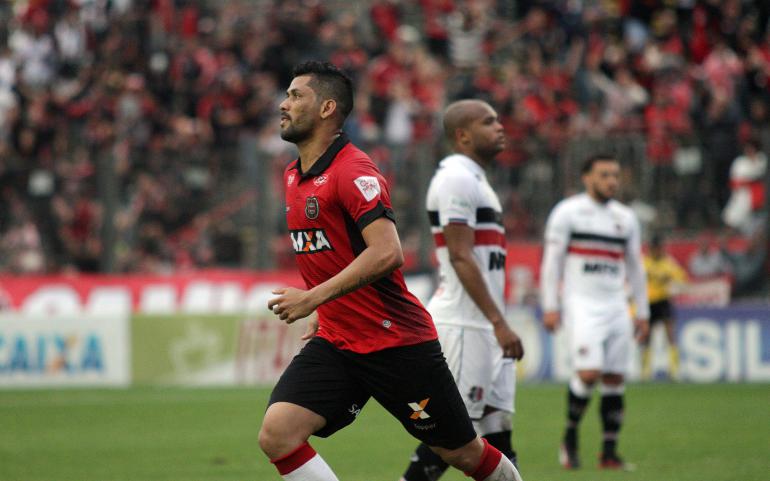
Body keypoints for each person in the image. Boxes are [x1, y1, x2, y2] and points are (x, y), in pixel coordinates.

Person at [258, 61, 523, 481]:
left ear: (327, 108)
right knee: (278, 433)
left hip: (394, 340)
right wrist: (327, 312)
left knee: (462, 453)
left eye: (295, 96)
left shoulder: (354, 171)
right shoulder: (294, 176)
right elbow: (334, 252)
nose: (283, 104)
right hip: (339, 340)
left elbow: (387, 252)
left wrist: (313, 298)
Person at [399, 100, 525, 481]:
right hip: (465, 324)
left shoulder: (478, 180)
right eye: (489, 122)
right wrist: (499, 322)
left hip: (485, 324)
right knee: (455, 436)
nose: (500, 127)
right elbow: (460, 255)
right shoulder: (456, 178)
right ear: (463, 135)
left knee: (496, 423)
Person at [539, 154, 649, 470]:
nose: (611, 181)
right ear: (586, 177)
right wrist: (550, 305)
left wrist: (641, 311)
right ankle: (570, 438)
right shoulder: (568, 212)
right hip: (581, 304)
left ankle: (609, 453)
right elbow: (552, 262)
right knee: (589, 374)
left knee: (615, 377)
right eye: (604, 175)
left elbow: (635, 266)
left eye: (615, 175)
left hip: (616, 305)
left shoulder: (625, 217)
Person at [641, 233, 688, 380]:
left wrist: (675, 287)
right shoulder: (643, 263)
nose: (656, 251)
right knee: (646, 337)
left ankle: (674, 370)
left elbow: (682, 281)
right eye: (654, 248)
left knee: (670, 335)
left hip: (663, 302)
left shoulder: (669, 264)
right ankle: (646, 372)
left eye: (658, 248)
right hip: (647, 303)